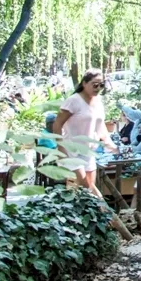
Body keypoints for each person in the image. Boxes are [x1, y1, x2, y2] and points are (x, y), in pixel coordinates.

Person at [53, 69, 117, 198]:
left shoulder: (98, 102)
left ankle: (82, 209)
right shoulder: (73, 101)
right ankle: (105, 209)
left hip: (88, 150)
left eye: (101, 85)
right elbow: (57, 124)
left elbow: (100, 126)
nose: (98, 88)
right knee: (87, 187)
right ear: (84, 83)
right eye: (95, 84)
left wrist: (110, 144)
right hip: (71, 150)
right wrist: (60, 147)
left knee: (85, 189)